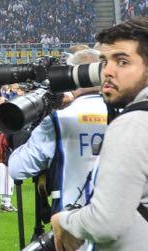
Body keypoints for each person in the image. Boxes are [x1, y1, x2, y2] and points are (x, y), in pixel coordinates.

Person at [52, 17, 148, 251]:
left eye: (123, 62)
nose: (108, 72)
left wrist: (64, 220)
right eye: (104, 61)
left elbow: (105, 222)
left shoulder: (133, 124)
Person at [7, 48, 106, 215]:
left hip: (69, 221)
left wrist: (23, 130)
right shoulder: (127, 116)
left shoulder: (58, 120)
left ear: (70, 76)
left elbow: (17, 169)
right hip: (120, 222)